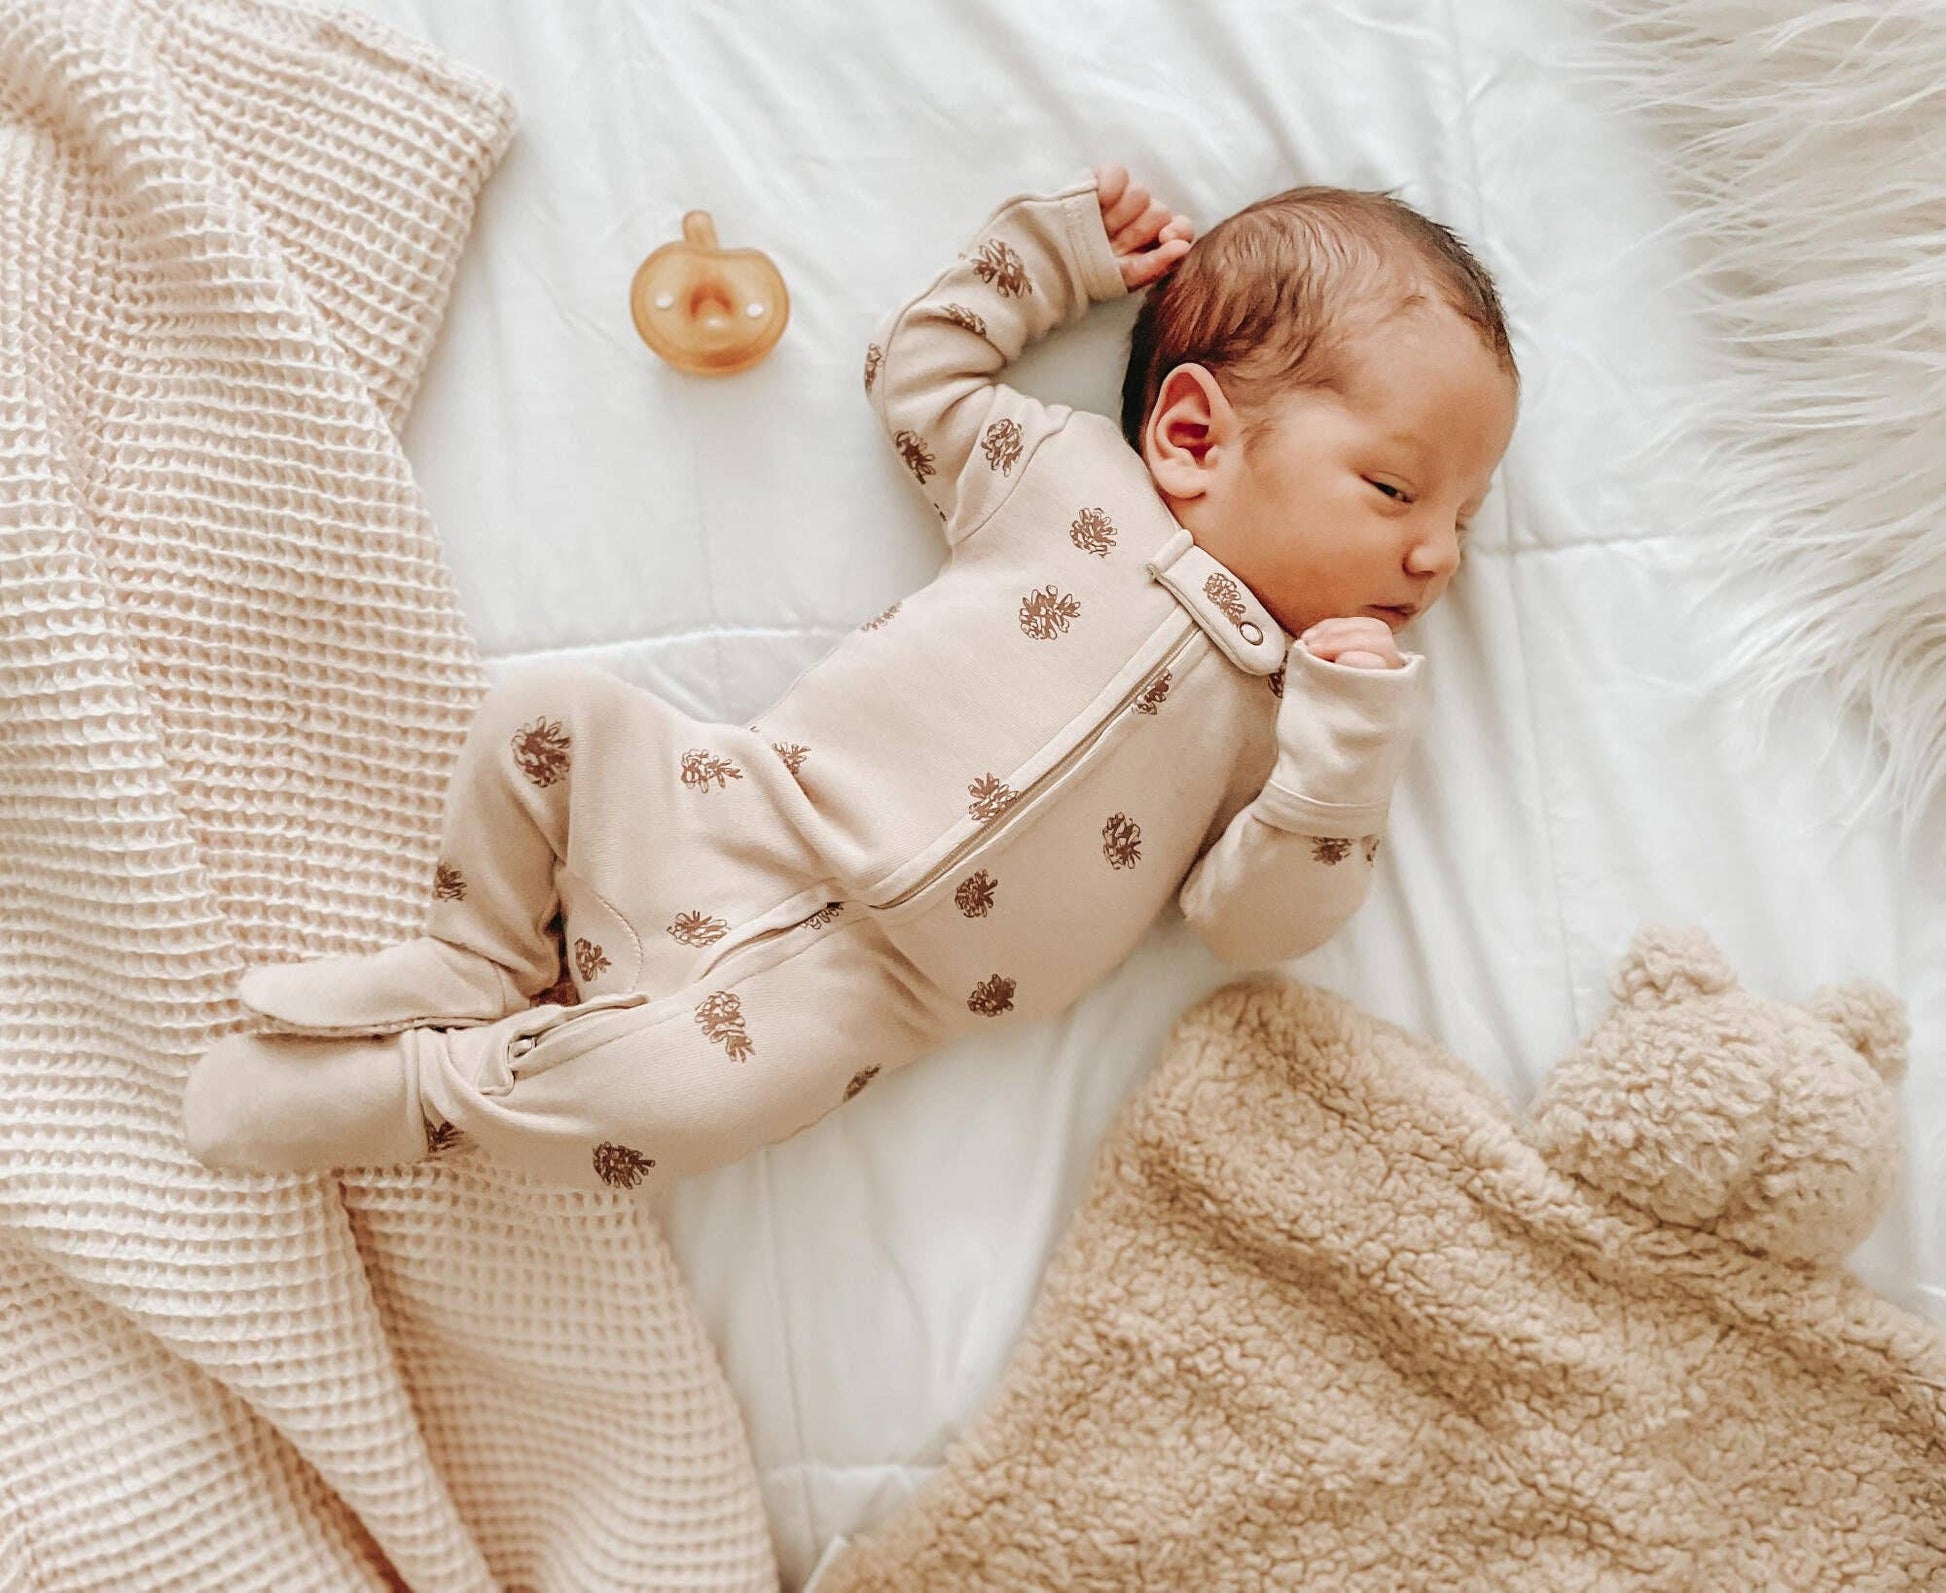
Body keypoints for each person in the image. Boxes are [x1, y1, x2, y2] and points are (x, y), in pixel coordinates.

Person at [182, 163, 1521, 1193]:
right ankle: (470, 955)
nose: (1432, 553)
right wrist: (1046, 256)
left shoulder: (1292, 720)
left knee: (672, 1105)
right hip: (735, 801)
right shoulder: (1065, 481)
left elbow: (1255, 920)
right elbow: (920, 375)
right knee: (549, 716)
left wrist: (1351, 744)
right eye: (1396, 487)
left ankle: (417, 1094)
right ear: (1186, 432)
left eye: (1461, 518)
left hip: (881, 990)